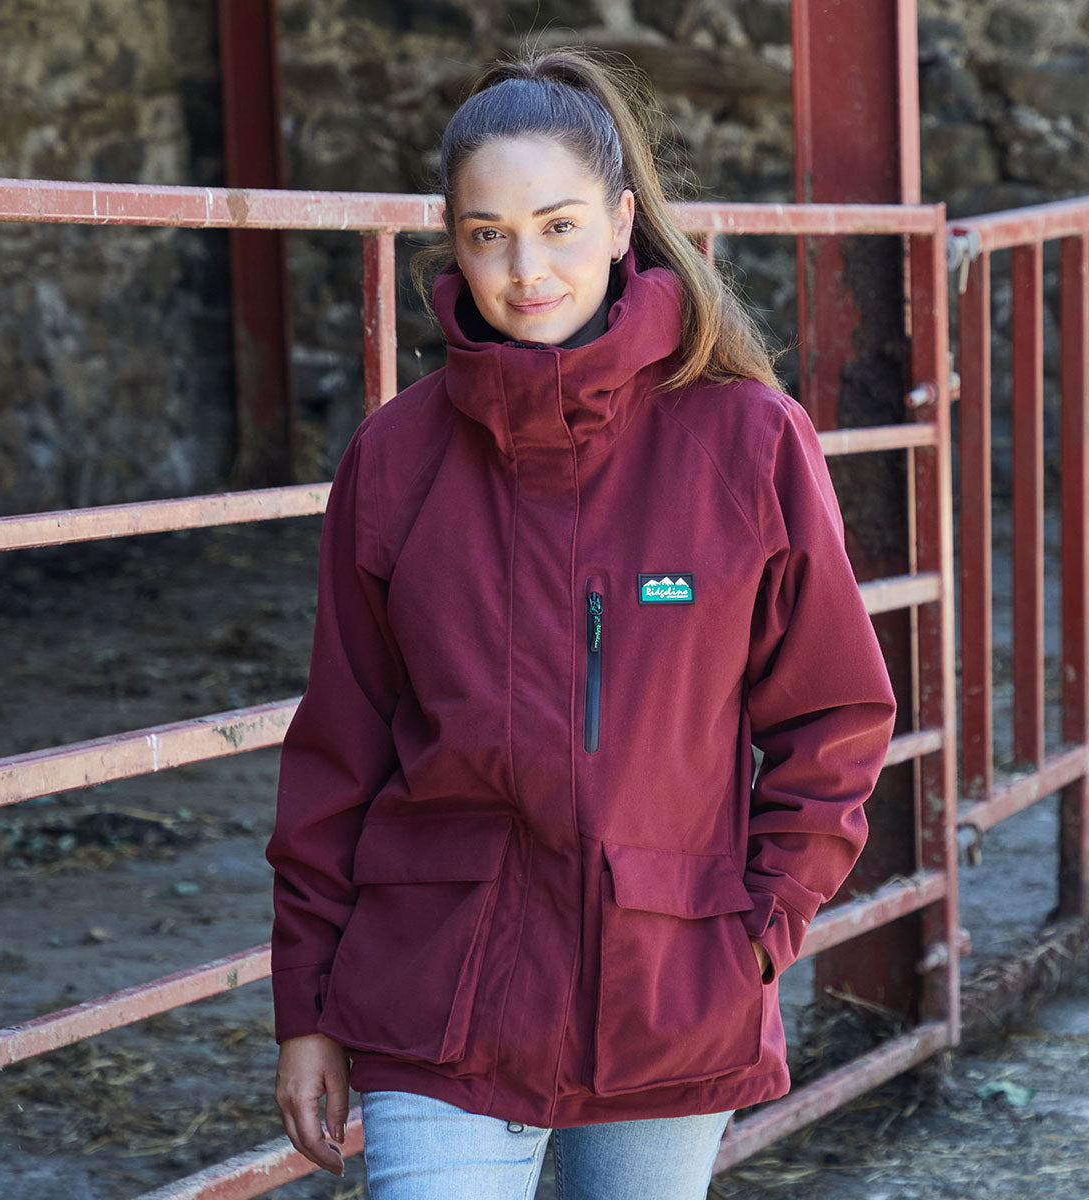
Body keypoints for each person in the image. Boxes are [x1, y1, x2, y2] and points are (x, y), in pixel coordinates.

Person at [266, 46, 897, 1200]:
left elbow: (836, 716)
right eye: (487, 233)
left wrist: (756, 929)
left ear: (620, 224)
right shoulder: (394, 459)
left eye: (558, 225)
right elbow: (338, 753)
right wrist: (305, 1006)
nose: (526, 268)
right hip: (436, 992)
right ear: (451, 245)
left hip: (668, 983)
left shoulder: (748, 443)